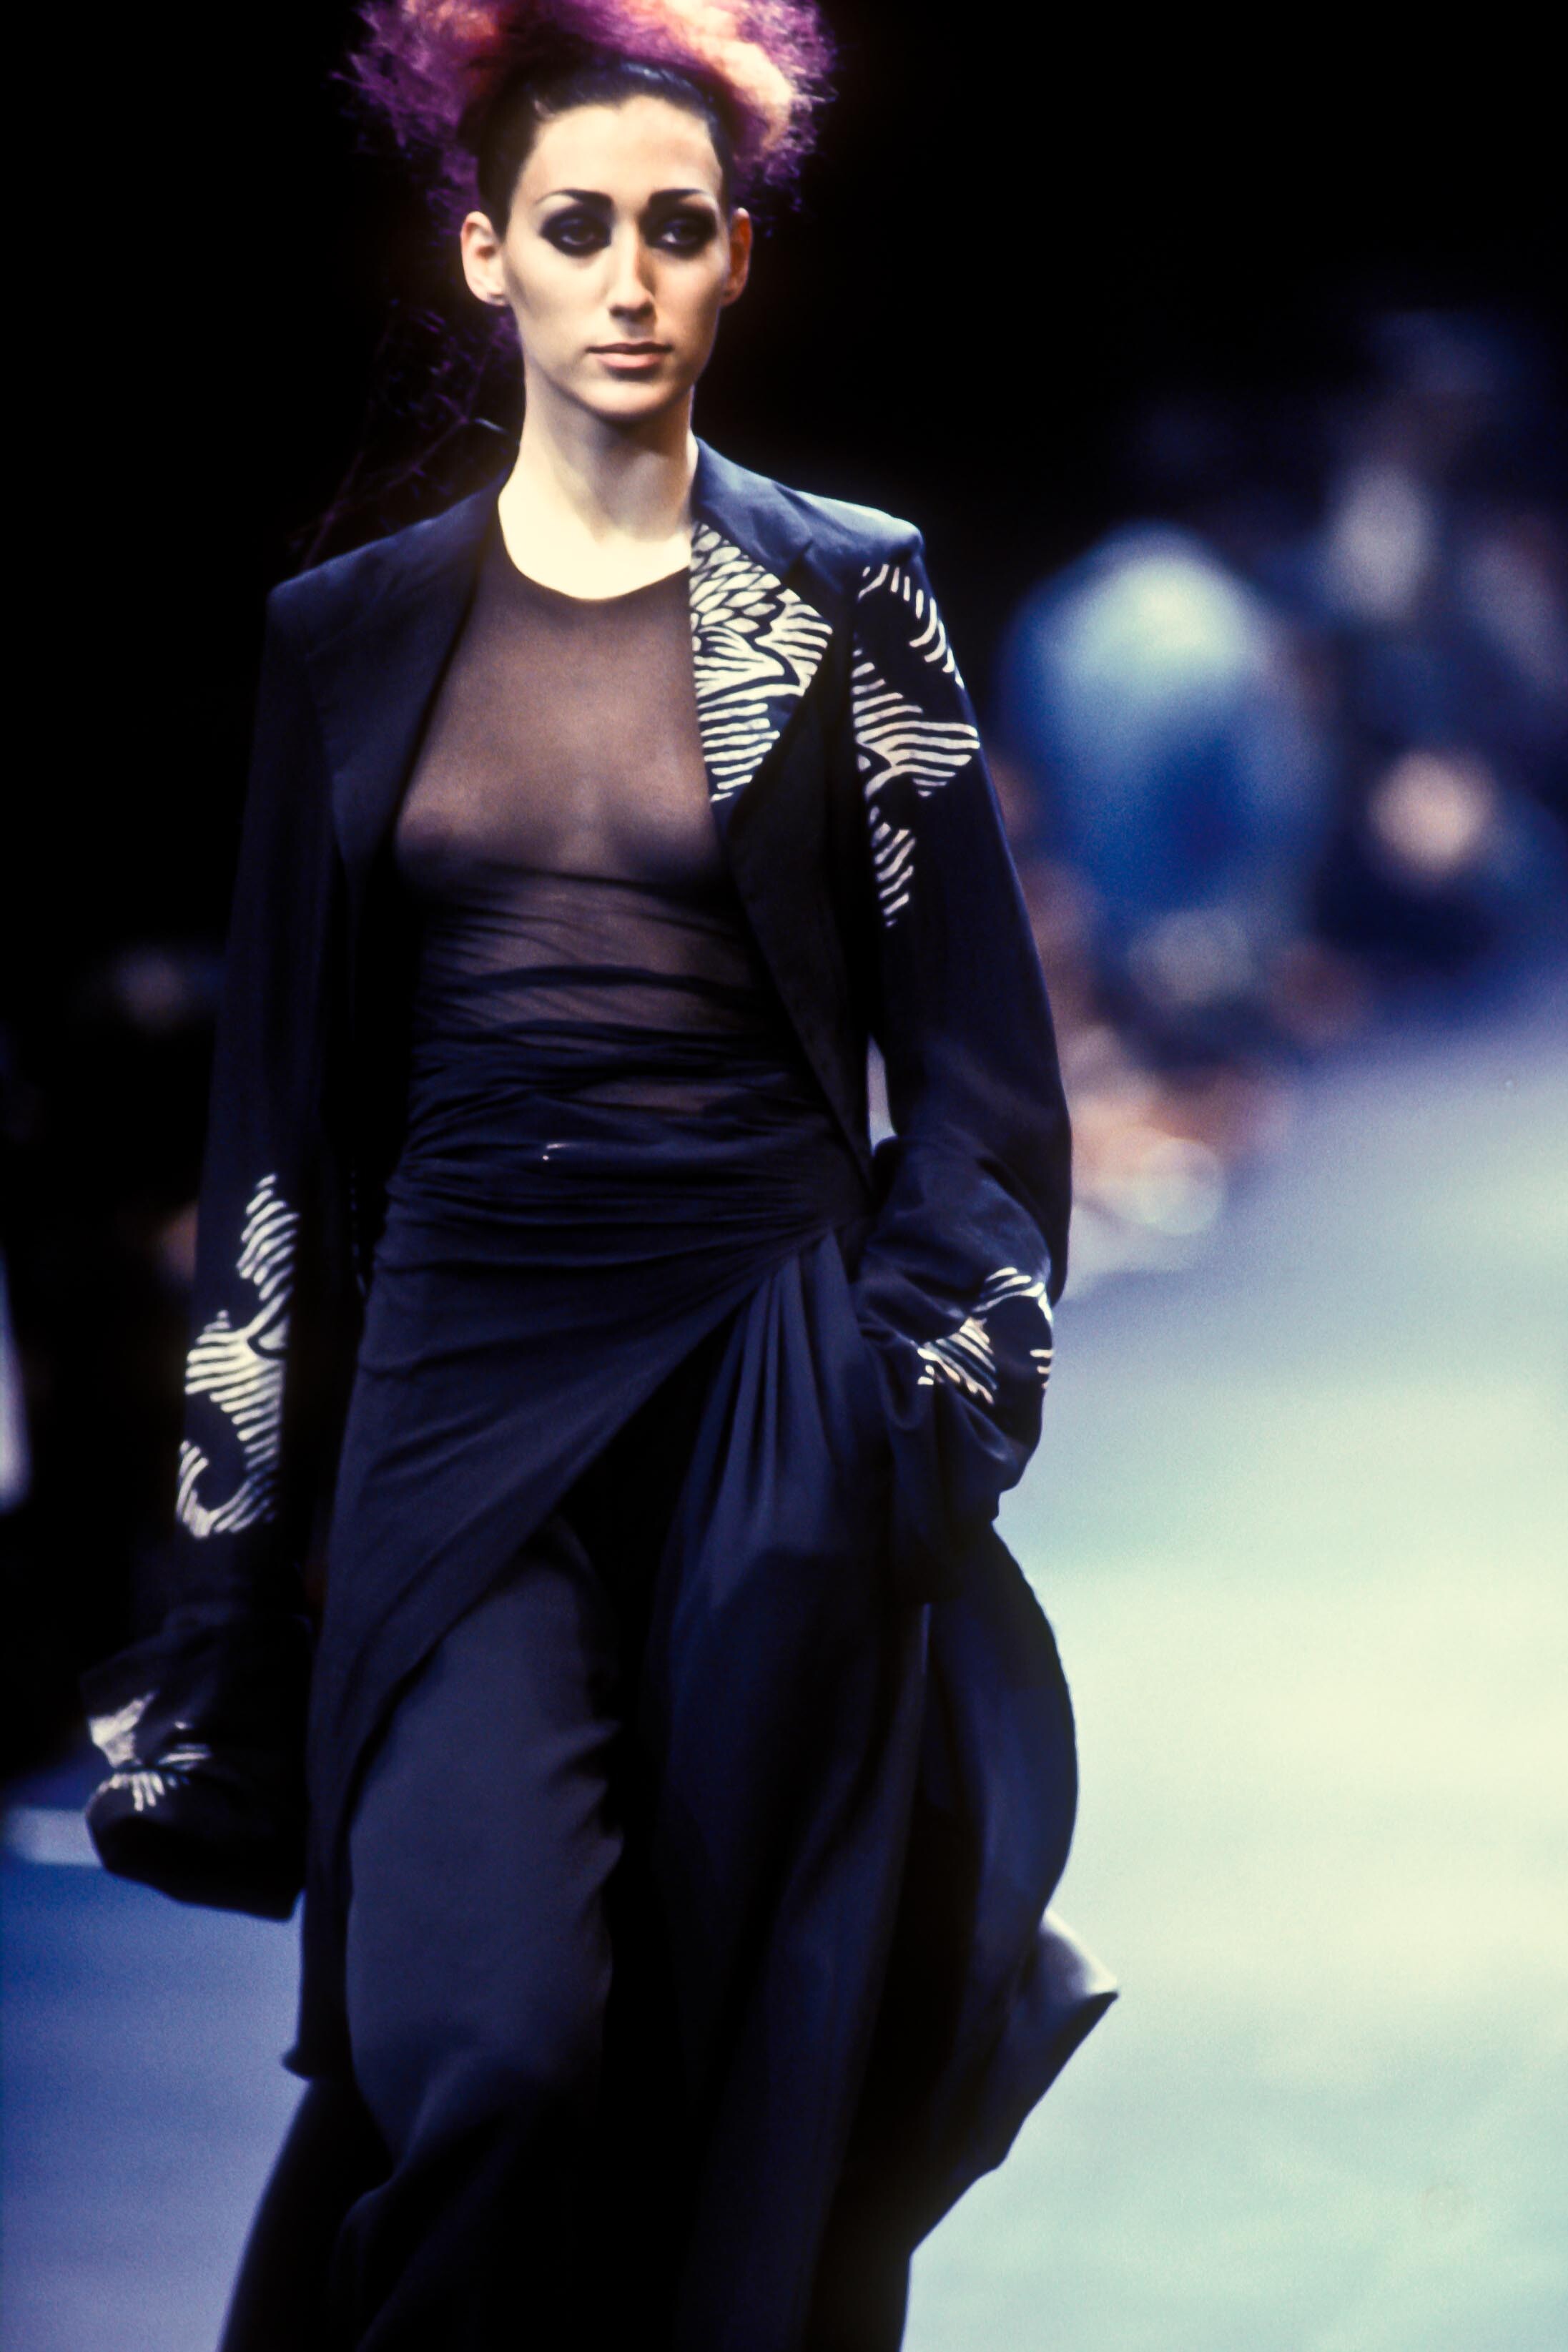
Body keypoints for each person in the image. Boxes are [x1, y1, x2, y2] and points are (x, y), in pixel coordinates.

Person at [81, 3, 1113, 2343]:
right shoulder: (349, 640)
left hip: (769, 1381)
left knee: (737, 2073)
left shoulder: (846, 599)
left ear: (739, 258)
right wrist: (236, 1558)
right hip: (455, 1397)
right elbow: (279, 1130)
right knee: (499, 2054)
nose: (628, 277)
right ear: (485, 257)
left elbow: (980, 1082)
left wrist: (907, 1410)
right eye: (576, 229)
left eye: (675, 227)